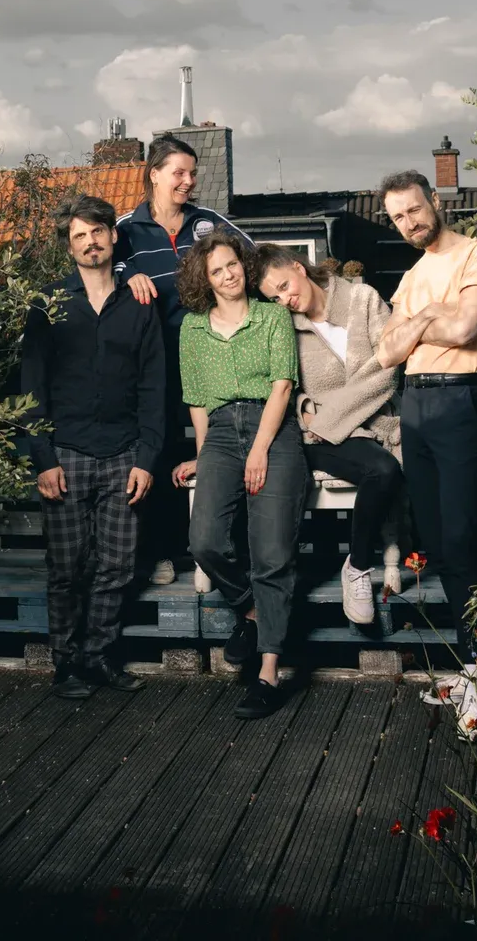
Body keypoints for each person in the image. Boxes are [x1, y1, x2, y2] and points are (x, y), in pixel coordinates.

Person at [375, 170, 477, 736]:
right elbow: (387, 352)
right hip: (417, 407)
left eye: (414, 210)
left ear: (435, 200)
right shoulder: (412, 274)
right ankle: (472, 665)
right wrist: (435, 315)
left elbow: (465, 330)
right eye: (398, 217)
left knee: (464, 538)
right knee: (437, 540)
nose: (409, 223)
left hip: (460, 402)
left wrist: (422, 321)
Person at [19, 195, 166, 699]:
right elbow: (31, 388)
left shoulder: (140, 304)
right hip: (66, 454)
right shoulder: (48, 306)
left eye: (97, 231)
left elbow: (154, 388)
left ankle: (97, 657)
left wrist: (147, 459)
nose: (90, 241)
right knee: (66, 569)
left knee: (118, 566)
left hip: (125, 453)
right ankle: (64, 665)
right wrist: (42, 459)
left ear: (112, 236)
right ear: (69, 246)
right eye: (79, 235)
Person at [173, 230, 306, 720]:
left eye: (232, 265)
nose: (227, 275)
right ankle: (250, 610)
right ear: (203, 281)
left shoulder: (272, 316)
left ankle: (269, 673)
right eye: (216, 270)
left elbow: (283, 385)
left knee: (271, 552)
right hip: (223, 435)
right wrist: (205, 458)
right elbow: (197, 401)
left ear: (242, 267)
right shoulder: (191, 328)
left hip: (274, 429)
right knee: (204, 540)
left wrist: (262, 449)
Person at [116, 134, 255, 586]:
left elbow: (250, 267)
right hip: (152, 368)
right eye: (179, 172)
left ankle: (222, 550)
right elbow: (96, 274)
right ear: (153, 174)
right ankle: (161, 551)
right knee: (157, 453)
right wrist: (128, 273)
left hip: (212, 361)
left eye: (192, 173)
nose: (189, 182)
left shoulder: (210, 224)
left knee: (214, 451)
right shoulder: (123, 232)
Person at [256, 245, 406, 627]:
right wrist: (307, 409)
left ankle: (355, 564)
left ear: (298, 267)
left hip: (365, 425)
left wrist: (331, 416)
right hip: (317, 436)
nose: (285, 300)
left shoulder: (362, 299)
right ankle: (358, 571)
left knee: (387, 470)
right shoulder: (284, 326)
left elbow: (387, 368)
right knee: (381, 471)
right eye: (274, 297)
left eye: (285, 286)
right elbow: (285, 385)